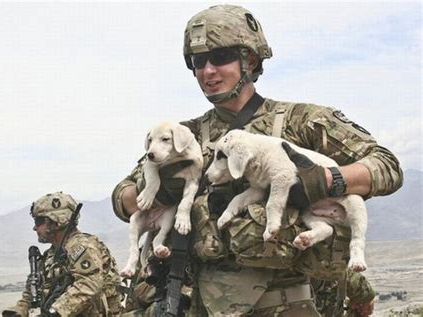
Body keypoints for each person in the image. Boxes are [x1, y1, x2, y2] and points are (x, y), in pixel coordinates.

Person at [112, 5, 403, 316]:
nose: (208, 70)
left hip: (290, 303)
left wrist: (326, 180)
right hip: (206, 306)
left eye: (221, 57)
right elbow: (122, 200)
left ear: (249, 60)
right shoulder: (184, 138)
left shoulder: (299, 121)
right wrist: (160, 190)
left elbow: (385, 165)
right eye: (198, 61)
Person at [2, 192, 123, 317]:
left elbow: (89, 284)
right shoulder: (50, 255)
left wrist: (55, 313)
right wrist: (20, 310)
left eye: (38, 221)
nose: (34, 228)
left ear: (55, 222)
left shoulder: (81, 247)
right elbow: (32, 293)